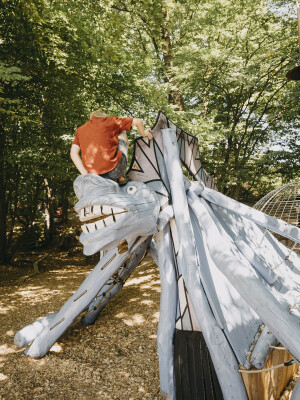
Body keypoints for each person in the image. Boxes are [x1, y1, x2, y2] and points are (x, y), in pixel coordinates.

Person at [70, 109, 152, 185]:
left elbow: (73, 153)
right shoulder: (111, 121)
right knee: (122, 130)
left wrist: (85, 174)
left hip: (93, 175)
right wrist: (144, 133)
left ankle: (119, 176)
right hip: (115, 171)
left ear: (91, 118)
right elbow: (139, 121)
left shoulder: (80, 130)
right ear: (104, 116)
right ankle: (121, 177)